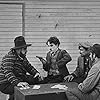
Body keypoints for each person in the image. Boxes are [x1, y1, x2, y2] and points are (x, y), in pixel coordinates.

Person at [0, 36, 42, 100]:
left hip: (18, 78)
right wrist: (18, 83)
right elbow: (8, 72)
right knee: (21, 90)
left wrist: (36, 73)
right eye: (25, 49)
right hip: (6, 84)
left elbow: (28, 66)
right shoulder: (9, 57)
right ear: (18, 49)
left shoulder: (22, 57)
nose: (26, 50)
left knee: (35, 80)